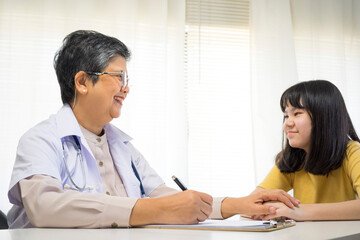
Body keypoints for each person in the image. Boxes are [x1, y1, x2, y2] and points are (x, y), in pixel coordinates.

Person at [7, 30, 299, 229]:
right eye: (118, 77)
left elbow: (165, 197)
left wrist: (236, 205)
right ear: (82, 82)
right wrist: (148, 210)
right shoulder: (41, 139)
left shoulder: (121, 146)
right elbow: (44, 206)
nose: (126, 88)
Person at [252, 80, 360, 221]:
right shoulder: (292, 159)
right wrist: (272, 208)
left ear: (324, 117)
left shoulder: (352, 152)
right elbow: (250, 205)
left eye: (297, 113)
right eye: (286, 116)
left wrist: (297, 211)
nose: (287, 124)